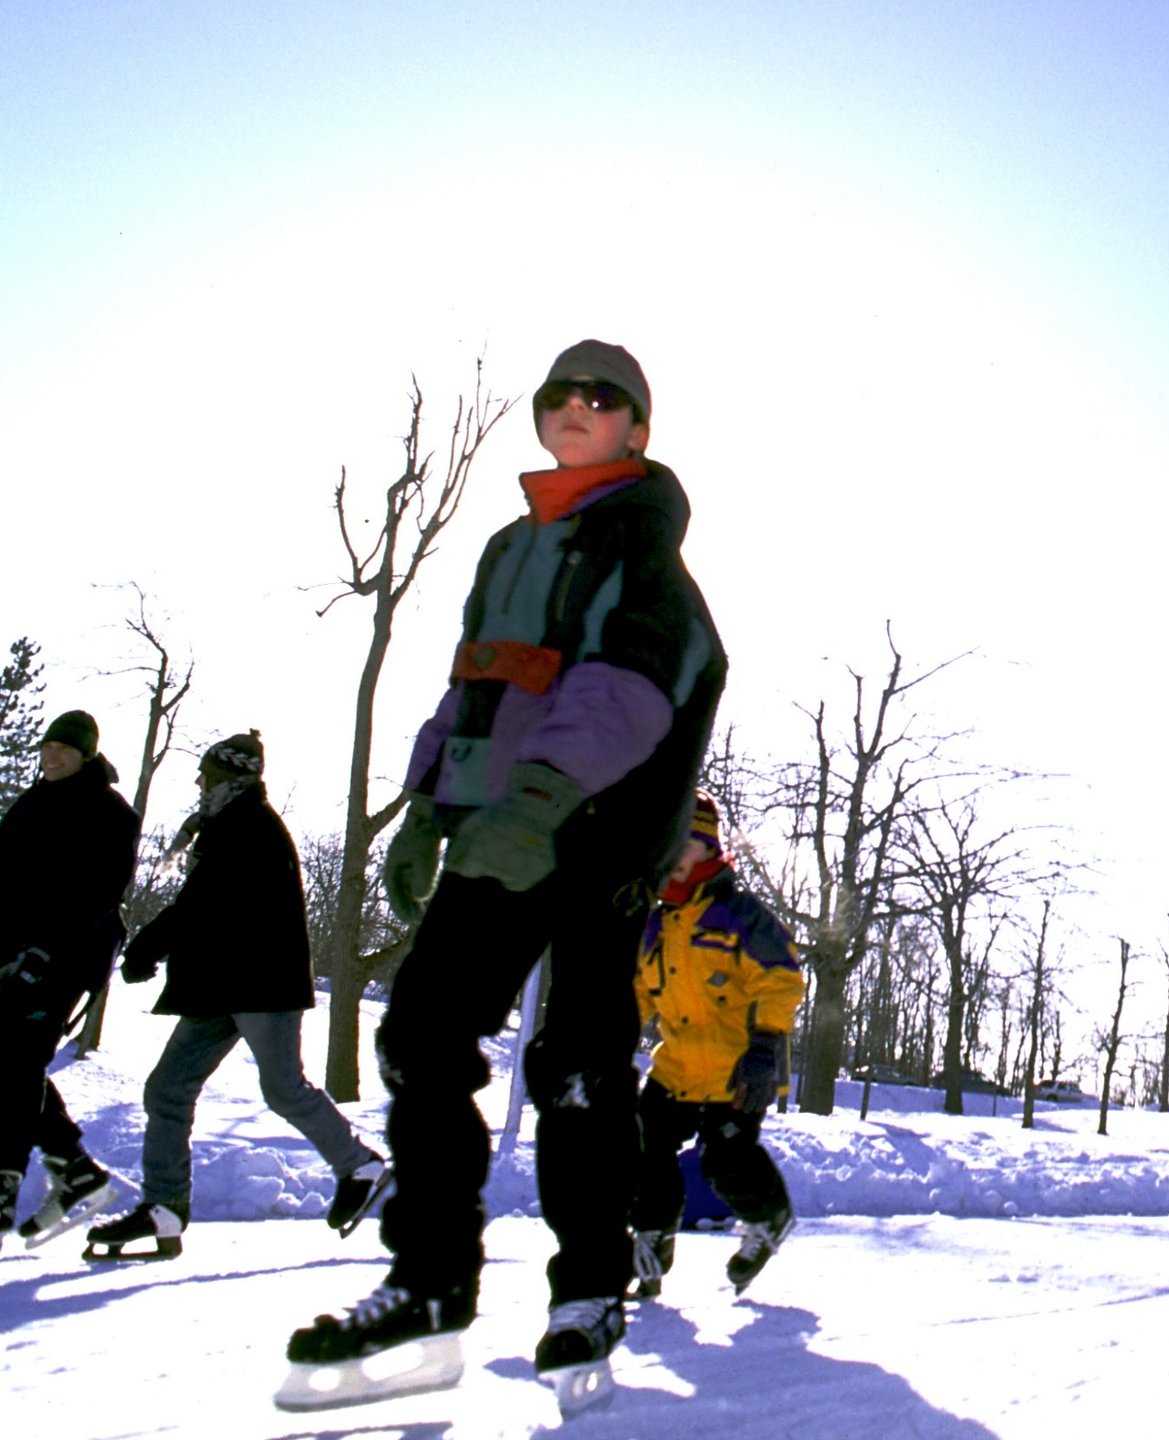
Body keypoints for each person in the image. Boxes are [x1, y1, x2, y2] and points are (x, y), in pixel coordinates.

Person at [280, 341, 726, 1416]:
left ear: (636, 430)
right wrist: (430, 799)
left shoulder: (639, 543)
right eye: (560, 395)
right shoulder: (507, 548)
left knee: (577, 1061)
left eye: (603, 397)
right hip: (498, 828)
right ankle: (430, 1286)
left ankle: (586, 1293)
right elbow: (475, 681)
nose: (578, 407)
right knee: (420, 1035)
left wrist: (536, 799)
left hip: (595, 832)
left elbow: (629, 685)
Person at [88, 732, 389, 1262]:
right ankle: (163, 1206)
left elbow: (200, 904)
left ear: (232, 779)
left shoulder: (249, 829)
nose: (200, 782)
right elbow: (203, 907)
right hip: (224, 986)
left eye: (209, 774)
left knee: (283, 1088)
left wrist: (146, 948)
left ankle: (360, 1165)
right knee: (167, 1090)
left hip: (261, 985)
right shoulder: (227, 825)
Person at [629, 794, 803, 1299]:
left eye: (684, 845)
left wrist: (767, 1043)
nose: (673, 856)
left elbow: (783, 980)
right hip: (677, 1066)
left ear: (707, 847)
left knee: (725, 1161)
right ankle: (653, 1238)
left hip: (739, 1065)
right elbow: (638, 991)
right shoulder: (656, 924)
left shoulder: (741, 916)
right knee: (648, 1145)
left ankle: (769, 1215)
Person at [0, 712, 140, 1246]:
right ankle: (77, 1172)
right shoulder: (29, 805)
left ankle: (5, 1187)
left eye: (64, 749)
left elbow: (98, 895)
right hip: (14, 954)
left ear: (86, 755)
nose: (52, 756)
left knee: (15, 1060)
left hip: (66, 957)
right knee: (11, 1062)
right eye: (47, 747)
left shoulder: (109, 814)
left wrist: (44, 950)